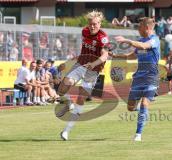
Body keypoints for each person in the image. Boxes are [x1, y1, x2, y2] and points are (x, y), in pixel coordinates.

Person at [56, 10, 110, 141]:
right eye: (90, 24)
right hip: (80, 65)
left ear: (100, 23)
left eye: (95, 24)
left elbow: (105, 55)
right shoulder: (84, 32)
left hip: (93, 70)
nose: (92, 26)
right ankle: (68, 103)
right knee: (62, 89)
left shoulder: (103, 38)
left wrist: (94, 63)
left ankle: (66, 131)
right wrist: (67, 62)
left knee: (81, 98)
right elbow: (83, 52)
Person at [110, 17, 160, 141]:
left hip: (151, 76)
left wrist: (127, 40)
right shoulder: (140, 40)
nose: (138, 29)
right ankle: (143, 111)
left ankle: (138, 134)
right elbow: (132, 55)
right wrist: (116, 55)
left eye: (139, 26)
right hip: (138, 77)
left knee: (144, 102)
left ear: (147, 28)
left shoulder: (154, 40)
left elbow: (144, 46)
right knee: (130, 107)